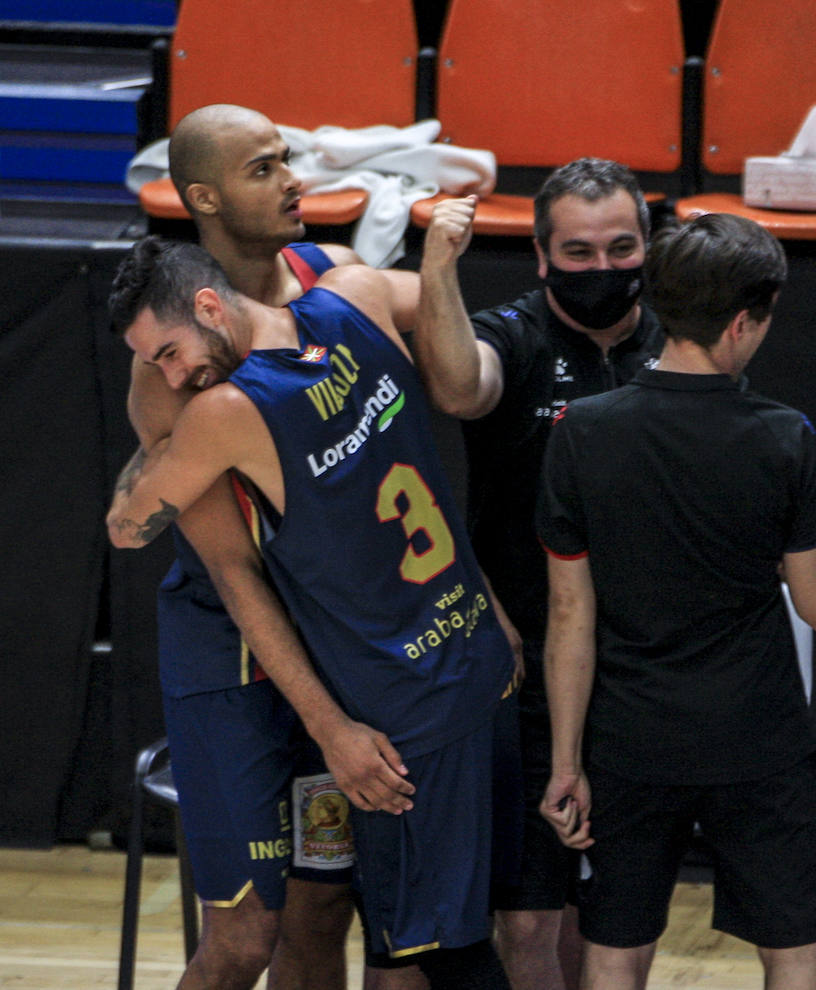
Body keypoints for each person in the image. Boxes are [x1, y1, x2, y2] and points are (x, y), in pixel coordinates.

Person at [104, 204, 515, 988]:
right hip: (471, 655)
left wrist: (160, 436)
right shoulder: (353, 293)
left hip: (404, 698)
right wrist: (437, 269)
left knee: (447, 953)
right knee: (436, 937)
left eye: (167, 352)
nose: (169, 375)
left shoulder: (223, 412)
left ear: (210, 305)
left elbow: (128, 527)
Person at [119, 103, 426, 990]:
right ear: (206, 198)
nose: (296, 179)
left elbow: (462, 354)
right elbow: (233, 567)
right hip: (236, 649)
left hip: (337, 636)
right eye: (265, 168)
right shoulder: (171, 360)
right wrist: (330, 724)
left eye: (287, 158)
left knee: (323, 904)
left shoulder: (328, 273)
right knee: (246, 938)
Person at [534, 213, 816, 990]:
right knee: (798, 944)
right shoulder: (786, 438)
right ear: (742, 323)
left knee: (614, 948)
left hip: (630, 738)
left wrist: (565, 763)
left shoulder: (581, 432)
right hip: (759, 738)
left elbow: (570, 616)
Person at [428, 157, 663, 990]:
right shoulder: (512, 334)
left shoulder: (681, 345)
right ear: (540, 257)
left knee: (610, 922)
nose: (603, 270)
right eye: (579, 253)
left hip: (640, 672)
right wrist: (437, 271)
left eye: (621, 248)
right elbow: (459, 390)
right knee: (527, 919)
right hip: (524, 663)